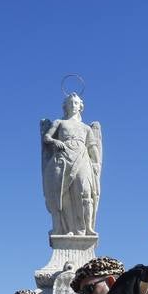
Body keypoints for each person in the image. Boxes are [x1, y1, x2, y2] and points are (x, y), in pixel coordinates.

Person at [40, 93, 103, 236]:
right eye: (70, 103)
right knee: (63, 195)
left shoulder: (86, 128)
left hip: (82, 158)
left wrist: (96, 163)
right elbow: (46, 137)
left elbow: (92, 147)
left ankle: (87, 228)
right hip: (63, 158)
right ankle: (67, 229)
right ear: (65, 106)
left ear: (80, 106)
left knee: (85, 193)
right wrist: (55, 141)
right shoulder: (59, 123)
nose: (73, 105)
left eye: (75, 103)